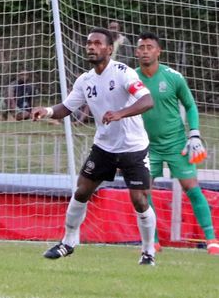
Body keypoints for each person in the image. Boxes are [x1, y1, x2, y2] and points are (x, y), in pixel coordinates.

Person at [31, 27, 157, 265]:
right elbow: (67, 108)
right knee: (81, 191)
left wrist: (121, 113)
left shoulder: (123, 73)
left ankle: (148, 252)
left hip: (133, 147)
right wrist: (46, 111)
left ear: (109, 49)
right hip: (104, 147)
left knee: (139, 199)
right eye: (89, 43)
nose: (91, 47)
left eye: (98, 43)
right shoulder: (85, 80)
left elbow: (147, 100)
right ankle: (68, 243)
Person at [135, 32, 219, 254]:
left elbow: (190, 106)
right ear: (136, 52)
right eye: (141, 47)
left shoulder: (173, 77)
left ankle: (211, 240)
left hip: (176, 143)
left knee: (191, 187)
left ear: (158, 51)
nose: (145, 50)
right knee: (143, 191)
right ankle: (152, 241)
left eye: (149, 47)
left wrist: (194, 134)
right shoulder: (130, 78)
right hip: (145, 146)